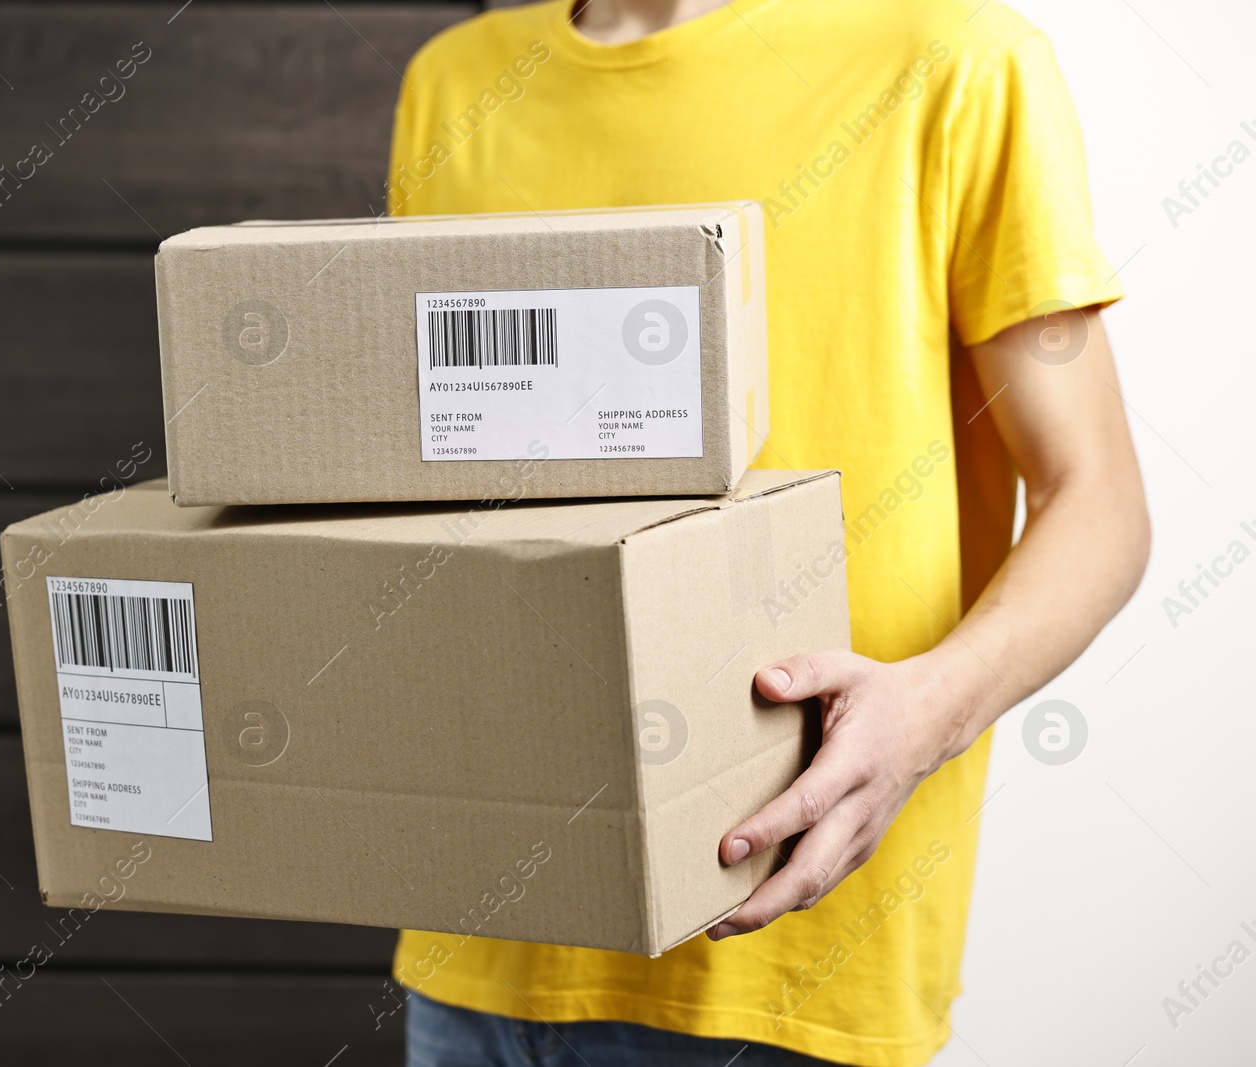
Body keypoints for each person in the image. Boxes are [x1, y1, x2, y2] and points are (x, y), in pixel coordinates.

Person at [385, 0, 1151, 1064]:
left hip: (788, 951)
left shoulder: (956, 61)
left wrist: (925, 713)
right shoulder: (454, 79)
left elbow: (1099, 499)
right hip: (475, 936)